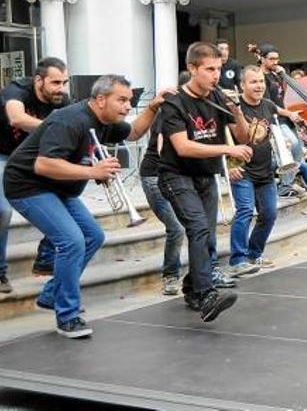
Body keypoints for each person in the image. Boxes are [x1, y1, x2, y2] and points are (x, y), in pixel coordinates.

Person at [4, 75, 170, 337]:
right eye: (122, 100)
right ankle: (67, 316)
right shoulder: (70, 120)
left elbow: (136, 131)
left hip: (59, 188)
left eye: (129, 101)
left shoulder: (104, 121)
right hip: (28, 185)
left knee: (93, 235)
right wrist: (94, 172)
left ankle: (51, 295)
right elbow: (43, 165)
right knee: (72, 241)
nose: (128, 106)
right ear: (101, 99)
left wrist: (152, 107)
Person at [158, 42, 254, 322]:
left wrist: (235, 110)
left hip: (204, 175)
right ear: (192, 69)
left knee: (207, 235)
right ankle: (206, 294)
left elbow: (244, 137)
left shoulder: (217, 98)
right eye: (209, 69)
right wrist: (227, 150)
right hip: (176, 174)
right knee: (198, 228)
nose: (216, 75)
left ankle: (191, 288)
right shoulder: (175, 103)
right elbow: (183, 147)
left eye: (219, 69)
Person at [0, 57, 71, 293]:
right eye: (55, 83)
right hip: (3, 155)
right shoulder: (18, 89)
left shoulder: (62, 101)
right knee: (2, 210)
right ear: (38, 80)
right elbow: (16, 119)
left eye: (65, 82)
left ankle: (45, 258)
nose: (61, 88)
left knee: (67, 198)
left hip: (33, 160)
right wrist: (55, 129)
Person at [226, 65, 303, 277]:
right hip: (242, 171)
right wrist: (228, 166)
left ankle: (254, 253)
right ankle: (238, 260)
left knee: (269, 214)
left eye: (261, 81)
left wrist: (284, 141)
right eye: (253, 82)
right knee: (244, 212)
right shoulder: (234, 107)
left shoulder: (268, 105)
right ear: (242, 85)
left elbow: (280, 114)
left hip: (266, 170)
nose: (259, 86)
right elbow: (225, 137)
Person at [140, 71, 189, 296]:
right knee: (176, 228)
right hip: (155, 176)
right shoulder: (169, 112)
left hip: (177, 175)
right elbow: (162, 146)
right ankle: (170, 277)